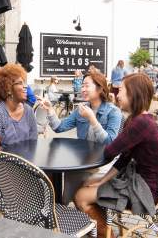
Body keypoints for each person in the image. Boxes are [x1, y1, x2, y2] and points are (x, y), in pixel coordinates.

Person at [74, 73, 158, 238]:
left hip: (145, 191)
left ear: (133, 93)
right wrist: (101, 180)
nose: (117, 95)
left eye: (121, 90)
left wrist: (92, 120)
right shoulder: (141, 119)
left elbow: (109, 151)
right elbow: (124, 158)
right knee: (88, 183)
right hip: (140, 181)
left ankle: (106, 234)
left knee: (80, 196)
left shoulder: (140, 123)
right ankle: (103, 228)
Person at [38, 70, 122, 204]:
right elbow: (59, 128)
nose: (83, 89)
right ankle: (61, 213)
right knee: (58, 188)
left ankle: (71, 213)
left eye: (87, 85)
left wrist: (93, 120)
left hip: (103, 163)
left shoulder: (114, 112)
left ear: (100, 88)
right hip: (82, 162)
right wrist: (50, 110)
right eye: (82, 85)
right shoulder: (80, 110)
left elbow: (110, 143)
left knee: (69, 193)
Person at [0, 63, 37, 150]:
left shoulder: (28, 111)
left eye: (24, 83)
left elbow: (33, 144)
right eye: (20, 83)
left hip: (24, 161)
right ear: (8, 89)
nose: (25, 86)